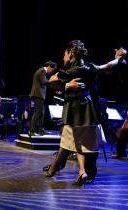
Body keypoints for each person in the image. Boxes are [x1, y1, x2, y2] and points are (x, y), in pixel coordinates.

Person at [44, 40, 126, 186]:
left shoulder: (69, 71)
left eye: (65, 54)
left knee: (75, 141)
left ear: (71, 53)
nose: (63, 57)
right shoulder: (89, 67)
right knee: (74, 141)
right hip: (87, 108)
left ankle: (74, 170)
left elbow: (50, 80)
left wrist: (65, 84)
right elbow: (106, 66)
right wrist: (118, 58)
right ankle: (69, 169)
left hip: (75, 110)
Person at [29, 61, 57, 135]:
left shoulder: (42, 71)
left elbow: (44, 83)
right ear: (49, 67)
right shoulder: (42, 71)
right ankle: (32, 130)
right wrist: (52, 79)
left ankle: (40, 130)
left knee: (42, 112)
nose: (51, 71)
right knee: (37, 112)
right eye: (52, 69)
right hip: (38, 94)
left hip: (39, 95)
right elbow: (44, 82)